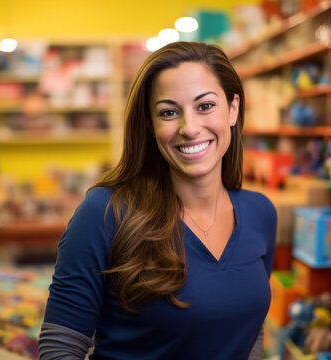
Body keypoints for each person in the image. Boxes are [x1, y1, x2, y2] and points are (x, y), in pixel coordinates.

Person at [39, 41, 277, 360]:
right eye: (169, 112)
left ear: (233, 109)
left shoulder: (260, 213)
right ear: (150, 126)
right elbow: (60, 347)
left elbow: (251, 329)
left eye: (205, 106)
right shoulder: (105, 212)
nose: (189, 128)